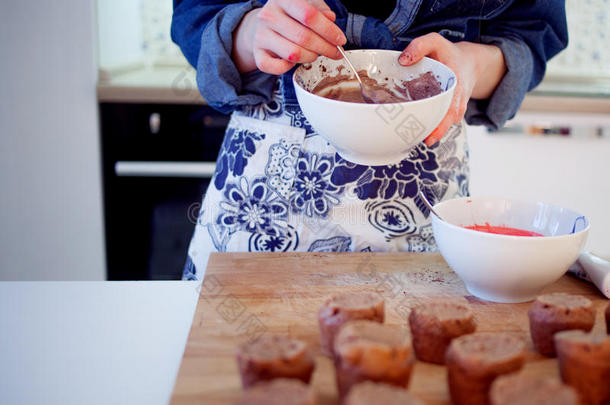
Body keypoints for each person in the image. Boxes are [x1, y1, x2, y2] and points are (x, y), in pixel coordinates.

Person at [171, 0, 567, 280]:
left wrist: (469, 64)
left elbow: (531, 33)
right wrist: (254, 31)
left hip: (423, 184)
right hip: (264, 186)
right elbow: (194, 12)